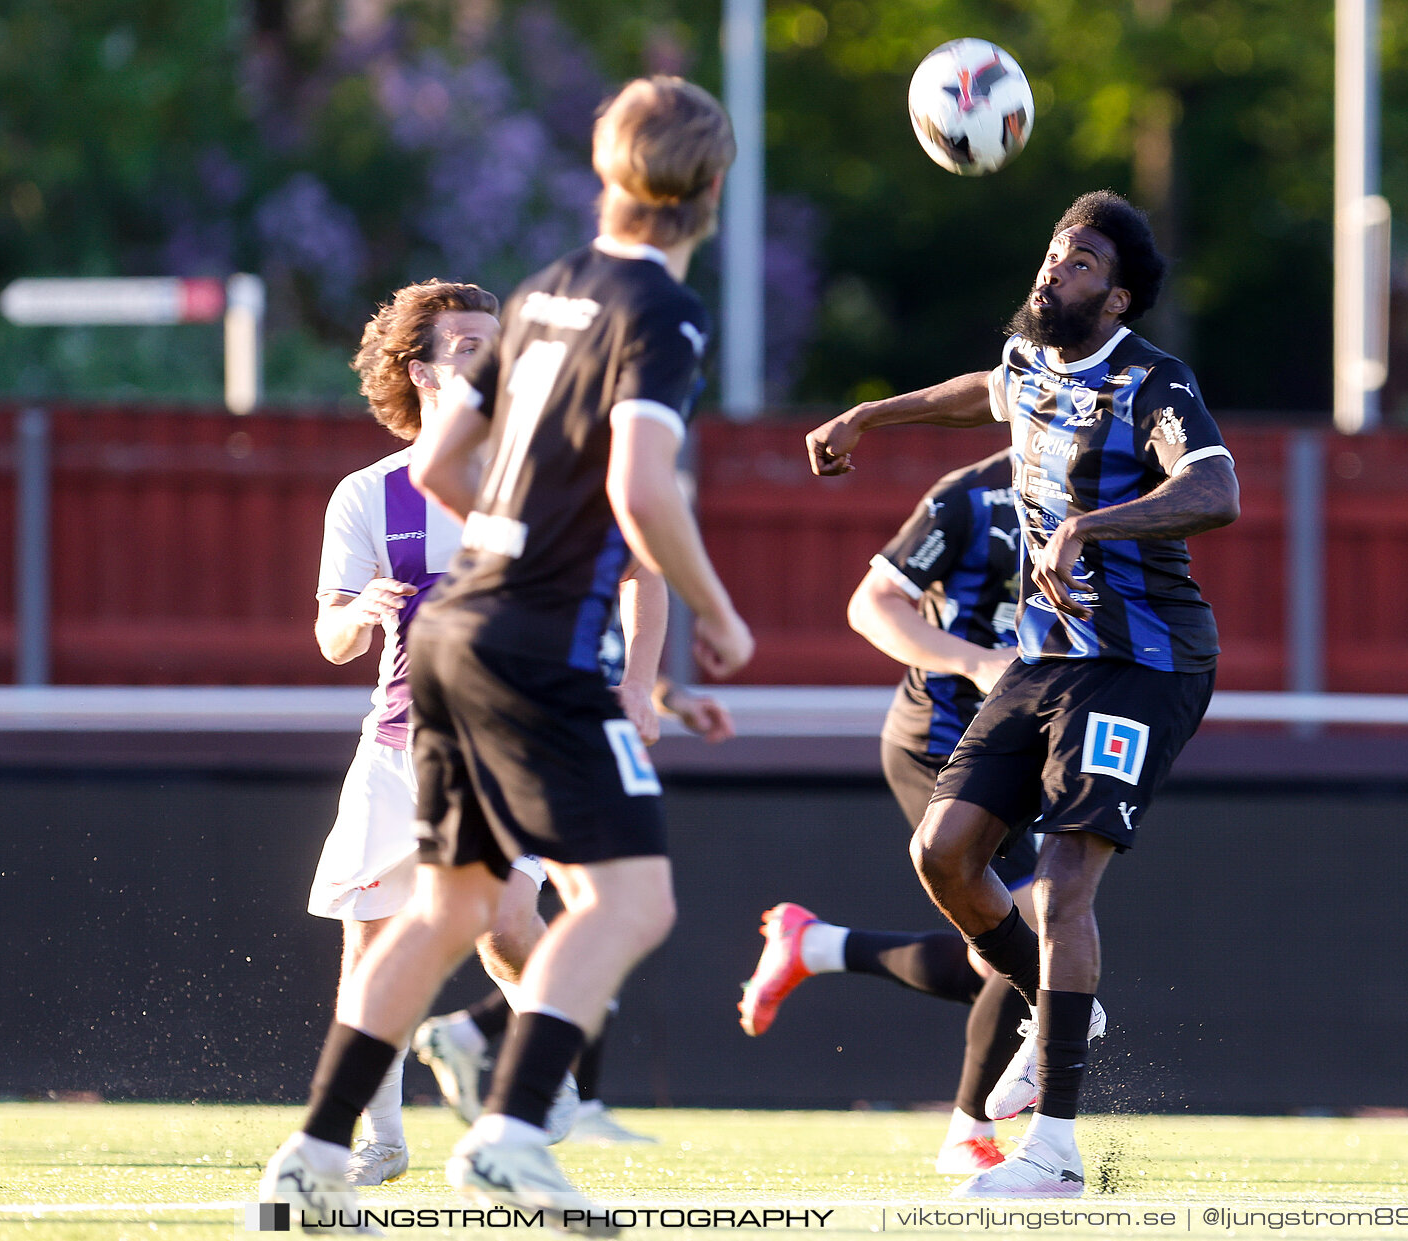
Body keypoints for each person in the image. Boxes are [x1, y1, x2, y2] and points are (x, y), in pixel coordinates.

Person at [260, 75, 750, 1233]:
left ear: (605, 173)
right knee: (632, 902)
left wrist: (522, 531)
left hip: (451, 642)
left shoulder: (545, 293)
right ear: (710, 192)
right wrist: (710, 608)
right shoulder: (661, 313)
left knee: (445, 910)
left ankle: (311, 1155)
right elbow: (639, 485)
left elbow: (437, 468)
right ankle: (511, 1119)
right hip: (538, 648)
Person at [805, 190, 1239, 1199]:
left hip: (1146, 663)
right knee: (943, 852)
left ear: (1118, 293)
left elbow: (1217, 491)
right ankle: (1061, 1010)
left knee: (1065, 884)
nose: (1054, 269)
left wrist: (1095, 526)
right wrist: (870, 413)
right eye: (1054, 251)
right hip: (1047, 660)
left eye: (1080, 262)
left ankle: (1052, 1151)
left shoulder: (1150, 380)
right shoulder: (1034, 365)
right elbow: (980, 391)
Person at [310, 278, 579, 1187]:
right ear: (417, 369)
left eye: (495, 341)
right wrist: (362, 609)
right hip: (395, 745)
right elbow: (332, 635)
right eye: (464, 344)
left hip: (511, 741)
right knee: (369, 944)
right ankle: (377, 1139)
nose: (488, 355)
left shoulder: (541, 471)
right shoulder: (369, 495)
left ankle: (548, 1076)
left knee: (506, 925)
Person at [736, 449, 1043, 1175]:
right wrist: (972, 660)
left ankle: (817, 946)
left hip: (1030, 742)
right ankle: (968, 1132)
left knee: (1000, 960)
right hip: (943, 740)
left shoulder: (1106, 490)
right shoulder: (970, 495)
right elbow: (870, 603)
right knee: (1031, 931)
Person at [414, 674, 734, 1145]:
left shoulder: (594, 613)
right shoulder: (532, 617)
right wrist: (720, 619)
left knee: (599, 928)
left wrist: (674, 699)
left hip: (581, 763)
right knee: (581, 927)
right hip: (533, 758)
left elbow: (625, 674)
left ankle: (500, 1054)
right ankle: (548, 1090)